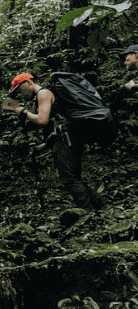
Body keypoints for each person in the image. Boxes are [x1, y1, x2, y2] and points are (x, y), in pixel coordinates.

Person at [8, 72, 113, 210]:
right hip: (69, 138)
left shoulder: (43, 93)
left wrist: (24, 112)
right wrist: (44, 146)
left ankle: (88, 213)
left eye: (19, 90)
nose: (20, 95)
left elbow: (42, 120)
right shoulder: (43, 95)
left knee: (69, 179)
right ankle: (102, 206)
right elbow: (57, 123)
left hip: (67, 139)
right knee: (73, 178)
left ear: (28, 82)